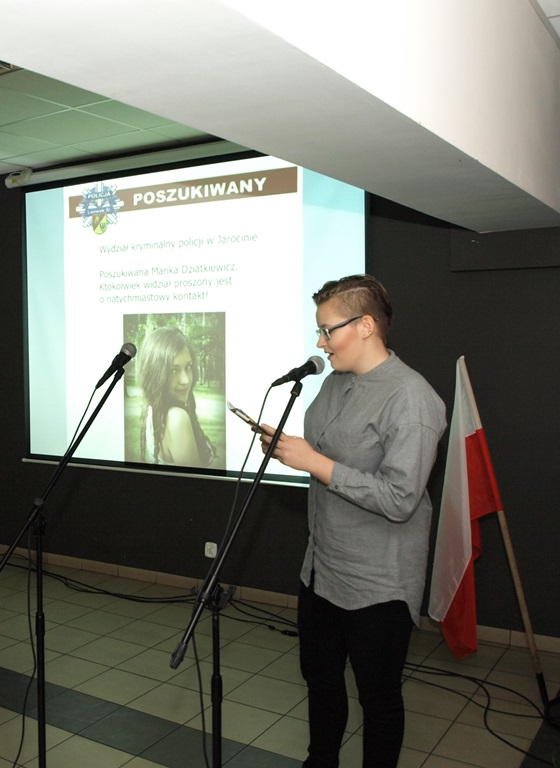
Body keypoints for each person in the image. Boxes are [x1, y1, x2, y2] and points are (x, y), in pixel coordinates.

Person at [260, 275, 446, 768]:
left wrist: (314, 462)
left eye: (328, 330)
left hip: (377, 584)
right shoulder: (333, 382)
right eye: (319, 331)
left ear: (366, 326)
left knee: (378, 700)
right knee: (320, 682)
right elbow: (326, 454)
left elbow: (400, 498)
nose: (320, 343)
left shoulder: (411, 398)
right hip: (320, 570)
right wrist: (289, 450)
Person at [137, 326, 215, 467]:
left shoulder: (154, 409)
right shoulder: (177, 418)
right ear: (156, 374)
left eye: (188, 367)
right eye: (173, 370)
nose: (185, 380)